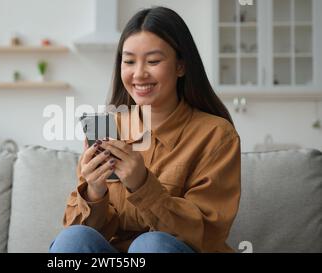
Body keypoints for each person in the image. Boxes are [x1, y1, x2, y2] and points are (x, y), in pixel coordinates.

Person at [49, 6, 241, 253]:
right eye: (129, 61)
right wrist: (94, 192)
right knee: (72, 239)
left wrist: (142, 184)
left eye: (153, 61)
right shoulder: (108, 128)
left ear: (181, 66)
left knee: (151, 245)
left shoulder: (216, 135)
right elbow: (82, 235)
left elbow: (205, 233)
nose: (139, 74)